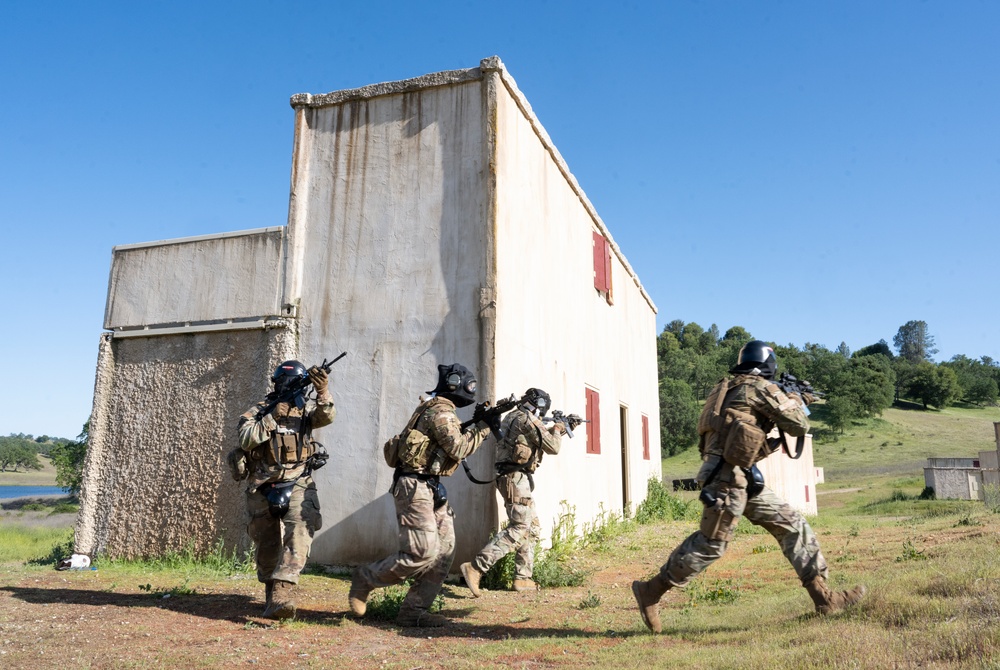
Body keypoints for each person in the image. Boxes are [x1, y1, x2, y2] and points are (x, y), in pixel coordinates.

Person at [631, 340, 866, 634]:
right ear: (768, 366)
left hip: (739, 477)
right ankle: (651, 591)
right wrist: (798, 401)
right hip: (727, 480)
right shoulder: (759, 387)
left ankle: (826, 600)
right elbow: (797, 425)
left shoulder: (728, 388)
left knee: (792, 524)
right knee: (712, 544)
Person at [348, 363, 493, 627]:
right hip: (415, 486)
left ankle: (414, 612)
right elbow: (458, 449)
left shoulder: (439, 410)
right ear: (454, 383)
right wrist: (483, 427)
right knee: (422, 551)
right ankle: (366, 578)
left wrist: (480, 423)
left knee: (445, 550)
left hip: (430, 485)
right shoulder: (440, 411)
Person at [229, 360, 336, 620]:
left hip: (298, 480)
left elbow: (327, 417)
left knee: (300, 531)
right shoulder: (258, 410)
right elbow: (245, 438)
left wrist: (323, 392)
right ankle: (271, 594)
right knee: (267, 545)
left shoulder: (306, 410)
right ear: (276, 383)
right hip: (263, 485)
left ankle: (283, 592)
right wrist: (273, 416)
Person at [459, 388, 573, 596]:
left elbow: (538, 437)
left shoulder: (515, 416)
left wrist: (561, 428)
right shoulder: (527, 419)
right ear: (539, 405)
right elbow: (553, 446)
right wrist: (558, 428)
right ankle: (476, 567)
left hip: (515, 477)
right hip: (515, 478)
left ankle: (523, 578)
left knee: (531, 527)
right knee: (520, 526)